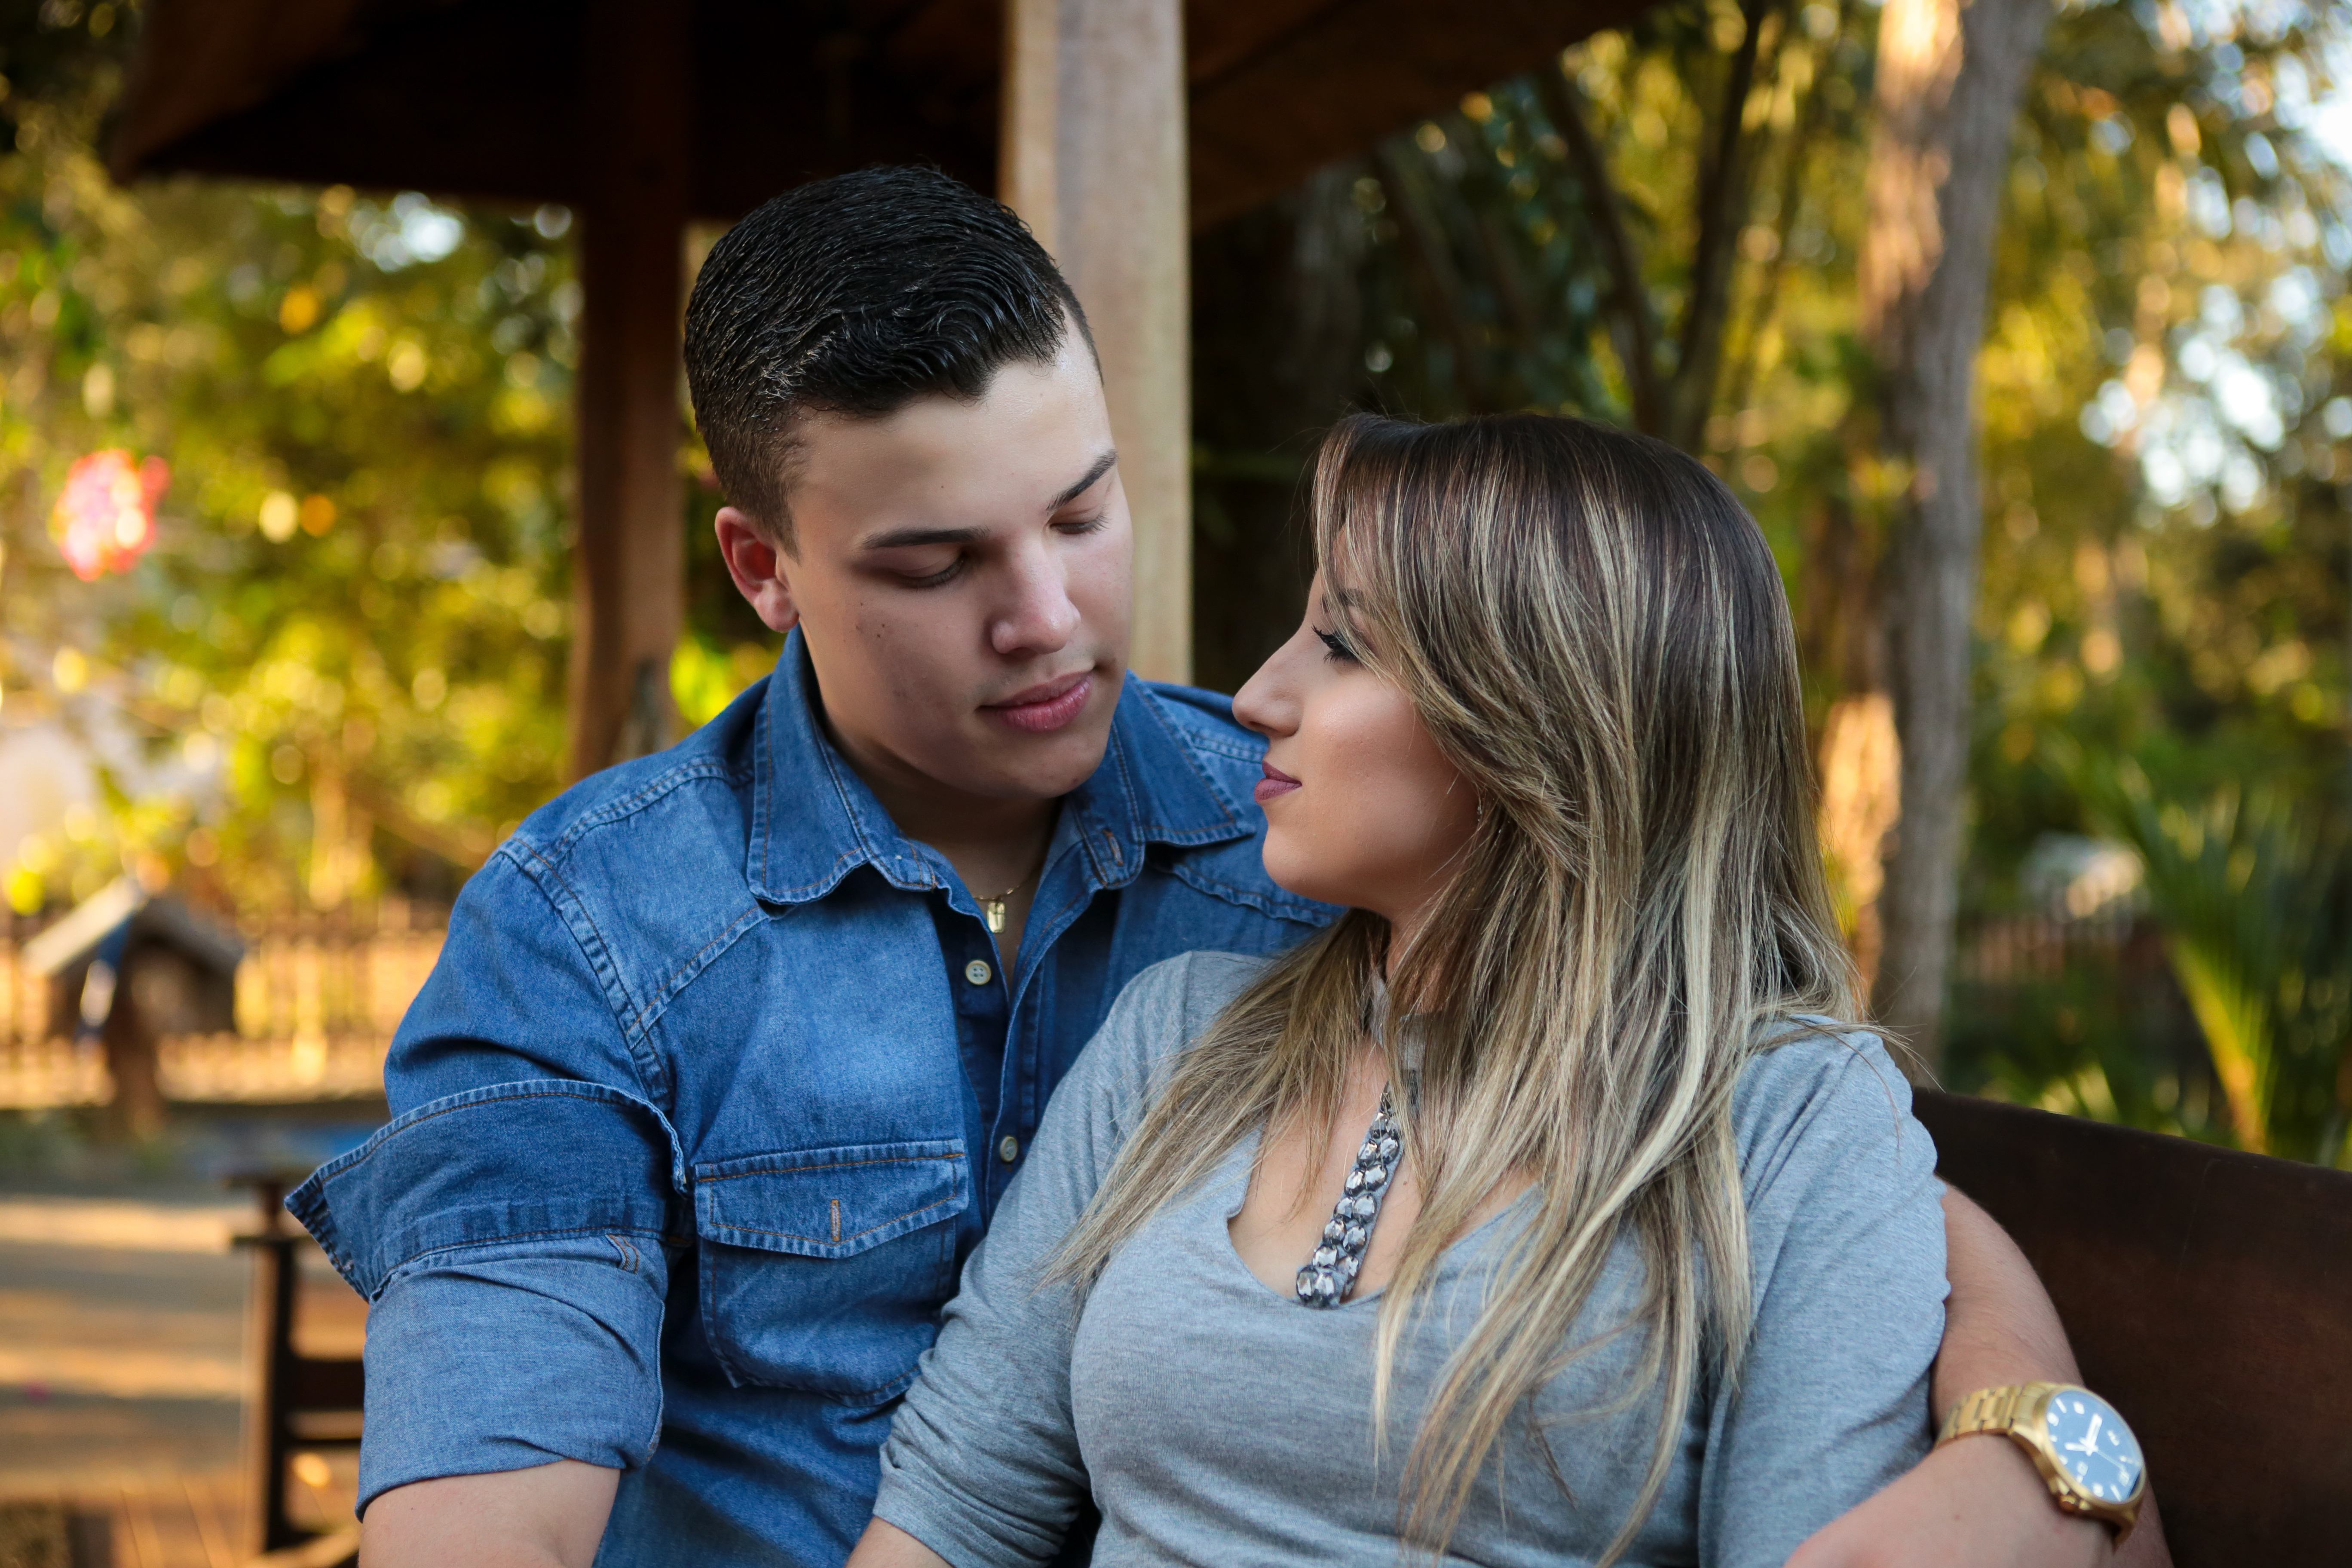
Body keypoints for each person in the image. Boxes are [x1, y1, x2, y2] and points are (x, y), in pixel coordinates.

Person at [285, 168, 2157, 1568]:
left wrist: (2036, 1431)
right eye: (939, 566)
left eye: (1087, 515)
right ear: (765, 573)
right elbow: (496, 1491)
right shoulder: (593, 928)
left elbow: (1780, 1135)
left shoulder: (1317, 849)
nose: (1053, 624)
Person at [852, 413, 2153, 1568]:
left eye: (1342, 645)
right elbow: (952, 1514)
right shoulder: (1183, 1037)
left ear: (1535, 717)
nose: (1258, 697)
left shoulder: (1786, 1125)